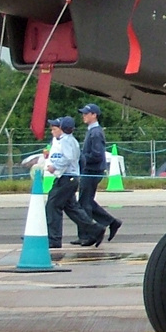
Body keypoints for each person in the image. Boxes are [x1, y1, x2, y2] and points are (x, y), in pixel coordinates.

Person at [37, 116, 94, 250]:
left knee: (52, 205)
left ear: (62, 128)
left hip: (67, 177)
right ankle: (94, 230)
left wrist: (55, 167)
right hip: (66, 177)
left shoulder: (67, 141)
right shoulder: (62, 141)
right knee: (72, 208)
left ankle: (54, 238)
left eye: (55, 128)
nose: (52, 131)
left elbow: (68, 158)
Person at [74, 104, 120, 245]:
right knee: (86, 201)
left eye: (86, 113)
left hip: (92, 171)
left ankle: (88, 234)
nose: (84, 116)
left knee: (84, 203)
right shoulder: (92, 131)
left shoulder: (95, 133)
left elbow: (97, 154)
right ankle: (110, 222)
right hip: (90, 170)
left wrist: (82, 158)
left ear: (94, 115)